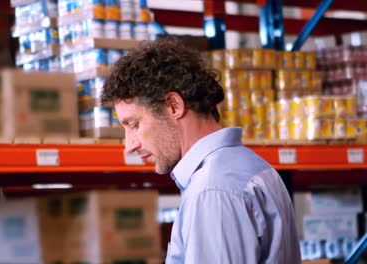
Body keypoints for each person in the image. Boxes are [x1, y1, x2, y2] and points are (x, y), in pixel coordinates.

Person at [101, 37, 301, 263]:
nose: (129, 146)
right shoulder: (250, 167)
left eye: (135, 125)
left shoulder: (212, 192)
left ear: (173, 106)